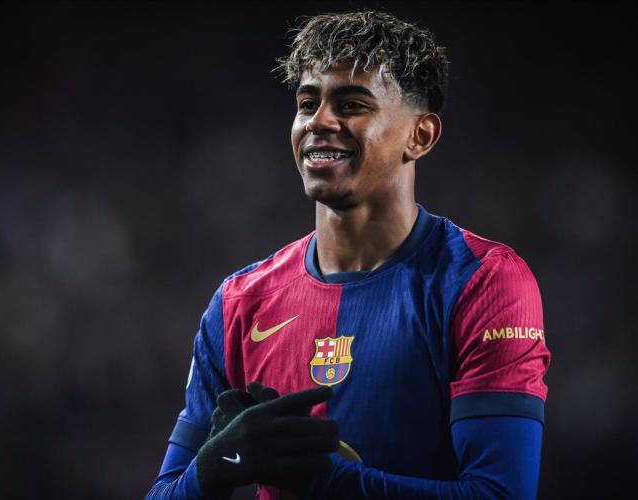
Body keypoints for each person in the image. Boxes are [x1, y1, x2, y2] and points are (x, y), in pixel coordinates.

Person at [145, 10, 550, 499]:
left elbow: (501, 494)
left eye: (352, 104)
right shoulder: (239, 302)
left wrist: (328, 481)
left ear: (420, 136)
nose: (319, 121)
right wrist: (212, 470)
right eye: (307, 103)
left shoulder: (483, 282)